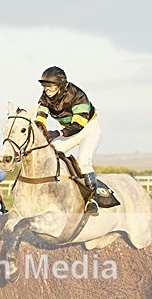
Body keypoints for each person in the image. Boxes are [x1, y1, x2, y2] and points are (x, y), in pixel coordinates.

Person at [36, 66, 117, 215]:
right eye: (44, 86)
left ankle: (92, 199)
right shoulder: (45, 96)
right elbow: (41, 117)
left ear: (60, 86)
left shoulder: (78, 96)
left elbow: (78, 126)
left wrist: (57, 132)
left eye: (50, 87)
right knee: (49, 153)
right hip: (69, 131)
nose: (46, 90)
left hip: (88, 129)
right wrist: (40, 130)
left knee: (83, 161)